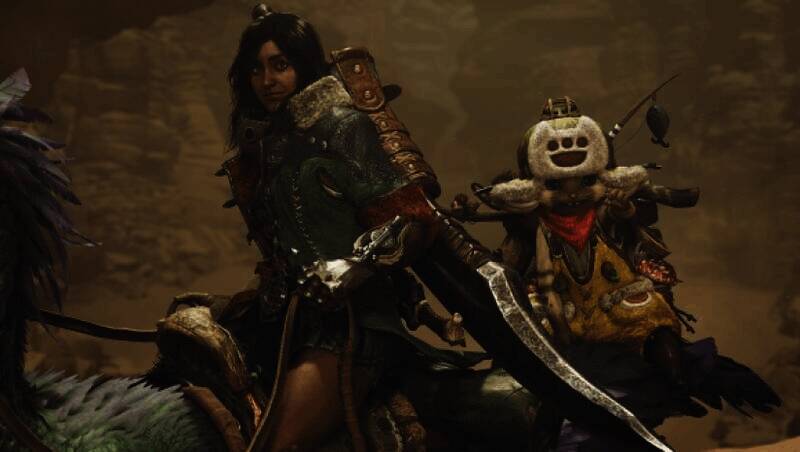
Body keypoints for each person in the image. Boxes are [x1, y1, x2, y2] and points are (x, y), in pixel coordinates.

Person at [474, 96, 781, 449]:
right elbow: (513, 258)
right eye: (557, 179)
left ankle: (670, 384)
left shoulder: (606, 206)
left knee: (653, 326)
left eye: (582, 174)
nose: (572, 192)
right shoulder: (535, 218)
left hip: (615, 301)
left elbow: (627, 223)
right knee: (545, 365)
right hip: (560, 312)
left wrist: (624, 209)